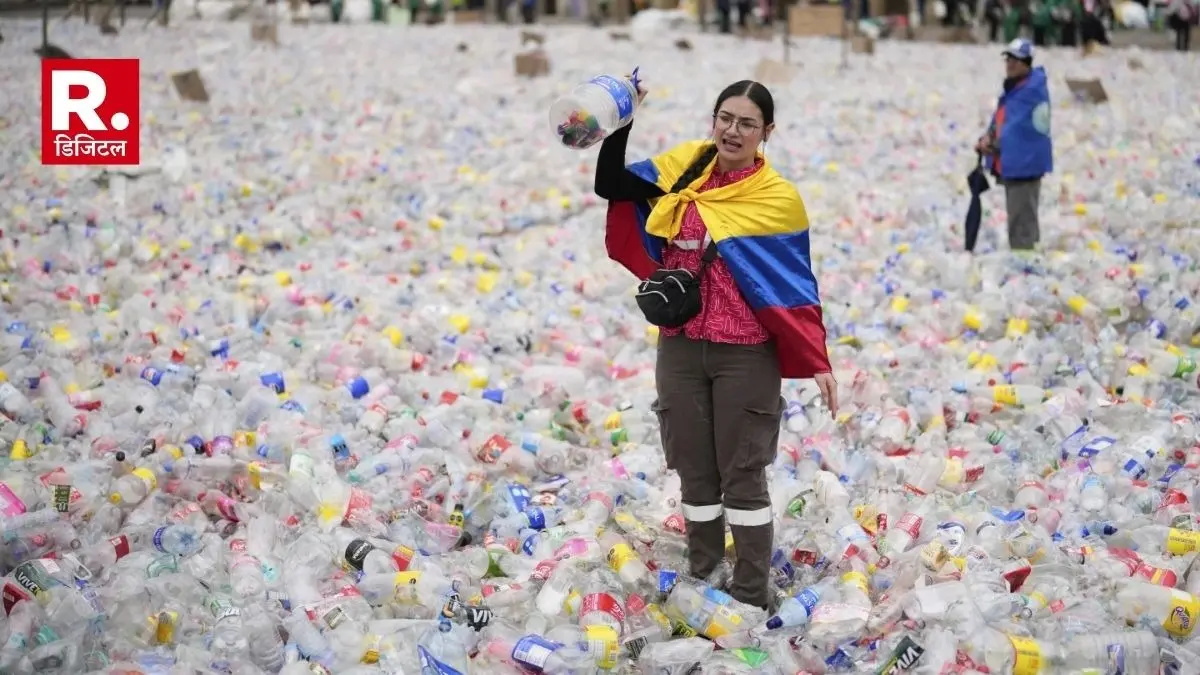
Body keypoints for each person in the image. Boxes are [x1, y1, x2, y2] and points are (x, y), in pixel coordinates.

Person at [594, 80, 837, 610]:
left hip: (744, 352)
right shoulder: (686, 168)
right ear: (713, 119)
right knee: (694, 469)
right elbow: (609, 184)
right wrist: (621, 118)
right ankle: (705, 573)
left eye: (747, 123)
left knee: (743, 474)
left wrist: (818, 359)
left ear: (766, 133)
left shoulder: (776, 198)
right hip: (680, 344)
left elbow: (794, 282)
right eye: (725, 117)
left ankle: (750, 592)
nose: (732, 130)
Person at [975, 39, 1054, 252]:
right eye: (1008, 59)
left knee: (1022, 220)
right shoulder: (1016, 89)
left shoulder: (1030, 91)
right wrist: (987, 136)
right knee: (1020, 215)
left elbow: (1017, 129)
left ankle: (1025, 270)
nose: (1010, 64)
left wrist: (992, 143)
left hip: (1025, 165)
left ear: (1026, 63)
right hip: (1017, 163)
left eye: (1015, 60)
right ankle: (1027, 259)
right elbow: (1002, 120)